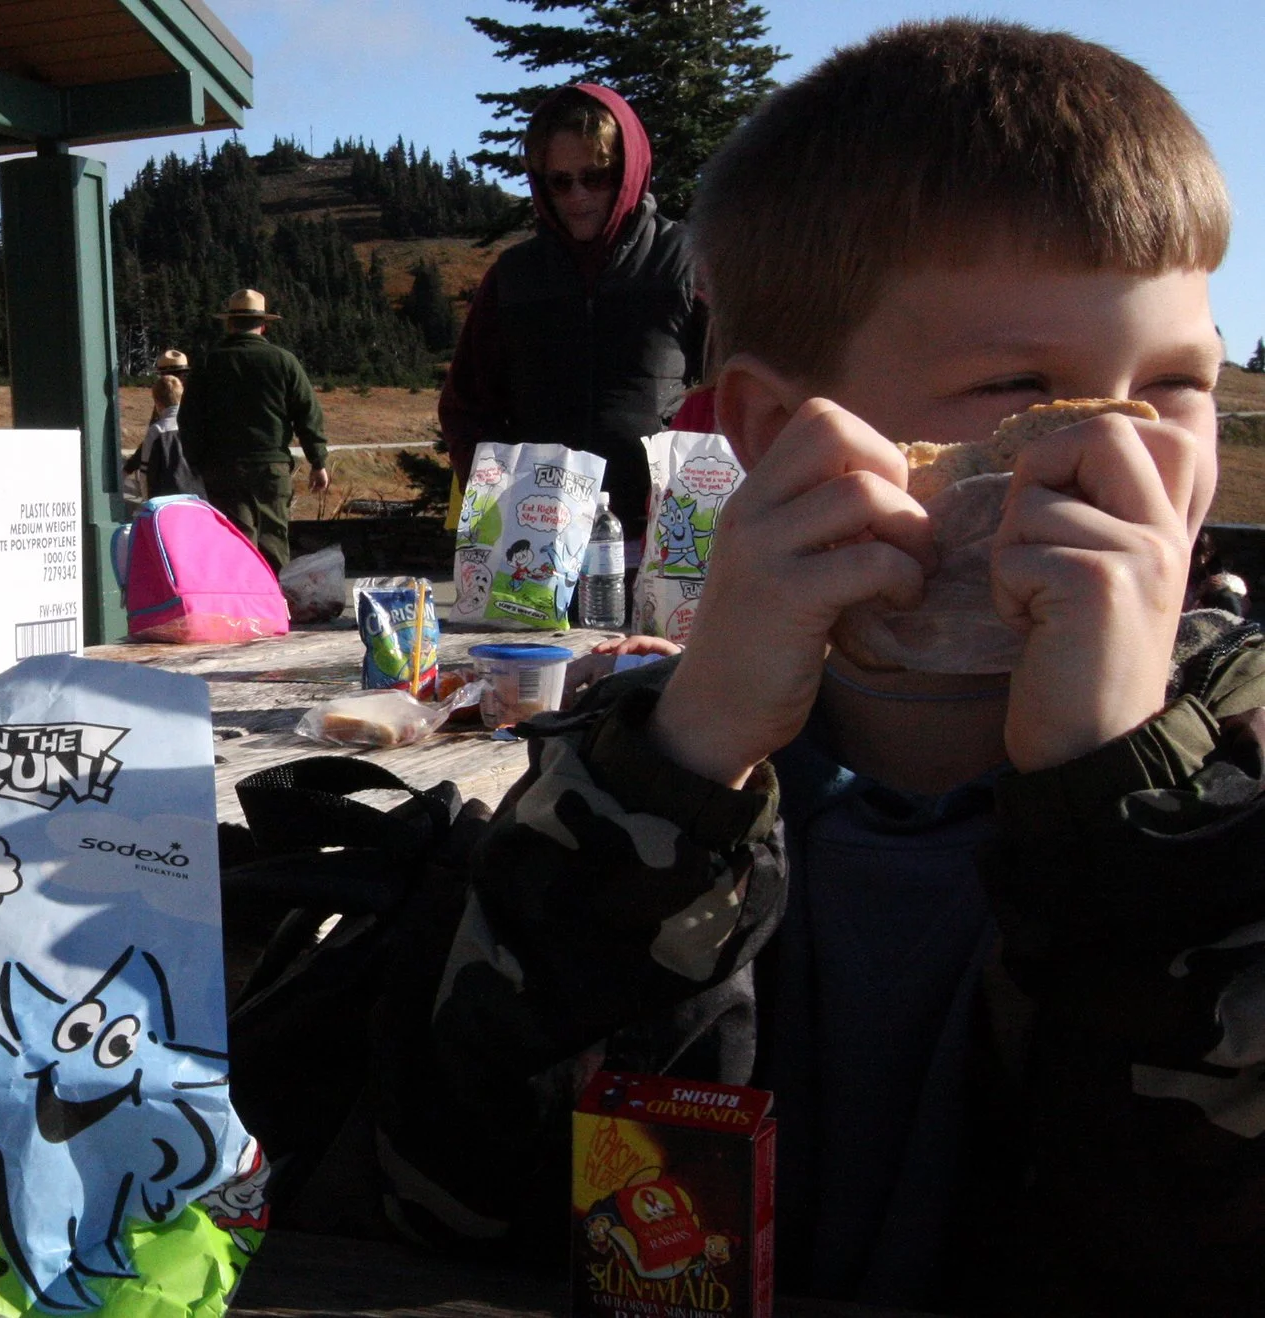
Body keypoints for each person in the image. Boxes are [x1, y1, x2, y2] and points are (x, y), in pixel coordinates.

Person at [352, 23, 1258, 1313]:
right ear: (781, 433)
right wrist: (686, 759)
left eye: (1175, 386)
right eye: (1018, 387)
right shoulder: (653, 760)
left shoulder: (1243, 773)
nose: (1128, 464)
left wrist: (1121, 796)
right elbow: (453, 1190)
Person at [438, 83, 706, 529]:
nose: (577, 196)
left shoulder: (688, 261)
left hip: (667, 539)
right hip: (541, 543)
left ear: (626, 171)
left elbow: (739, 392)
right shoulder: (513, 276)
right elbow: (466, 408)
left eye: (595, 176)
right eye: (560, 182)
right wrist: (502, 504)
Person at [176, 289, 329, 571]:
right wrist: (317, 461)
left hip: (222, 468)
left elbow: (189, 421)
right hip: (271, 468)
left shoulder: (209, 363)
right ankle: (273, 605)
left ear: (229, 324)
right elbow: (307, 413)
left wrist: (197, 463)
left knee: (234, 541)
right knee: (273, 540)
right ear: (264, 324)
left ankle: (240, 608)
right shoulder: (284, 361)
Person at [123, 349, 201, 501]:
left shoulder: (169, 402)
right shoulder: (191, 400)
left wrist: (128, 469)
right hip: (196, 492)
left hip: (171, 490)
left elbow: (151, 443)